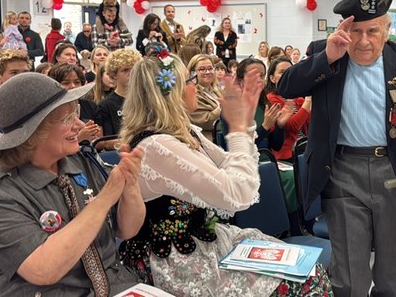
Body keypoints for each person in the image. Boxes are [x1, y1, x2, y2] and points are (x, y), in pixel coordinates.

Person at [117, 51, 332, 296]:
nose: (196, 86)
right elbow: (237, 195)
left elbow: (229, 164)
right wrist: (240, 129)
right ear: (170, 93)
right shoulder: (157, 146)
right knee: (303, 281)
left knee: (307, 269)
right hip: (175, 258)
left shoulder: (183, 132)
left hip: (203, 242)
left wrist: (244, 126)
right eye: (190, 80)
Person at [279, 0, 396, 297]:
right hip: (342, 172)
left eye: (372, 31)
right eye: (356, 31)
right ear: (344, 30)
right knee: (349, 278)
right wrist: (327, 57)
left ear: (387, 29)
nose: (364, 41)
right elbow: (286, 85)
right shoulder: (324, 51)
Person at [0, 72, 145, 296]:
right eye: (66, 119)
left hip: (117, 287)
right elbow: (44, 271)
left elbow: (128, 229)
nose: (79, 125)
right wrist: (106, 196)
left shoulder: (83, 162)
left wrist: (129, 183)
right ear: (33, 133)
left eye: (76, 113)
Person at [265, 56, 310, 161]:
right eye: (282, 72)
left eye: (290, 71)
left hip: (304, 149)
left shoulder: (297, 98)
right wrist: (308, 101)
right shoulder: (271, 99)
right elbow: (291, 126)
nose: (287, 75)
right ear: (272, 78)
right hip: (286, 155)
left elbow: (311, 123)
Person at [48, 63, 102, 145]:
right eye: (66, 83)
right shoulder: (51, 111)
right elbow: (53, 146)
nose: (73, 86)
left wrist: (93, 132)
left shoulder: (91, 106)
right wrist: (80, 137)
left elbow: (99, 141)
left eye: (77, 82)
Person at [186, 54, 222, 142]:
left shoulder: (217, 90)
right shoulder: (192, 95)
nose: (208, 72)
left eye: (210, 68)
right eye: (202, 69)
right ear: (192, 73)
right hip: (207, 142)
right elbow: (207, 122)